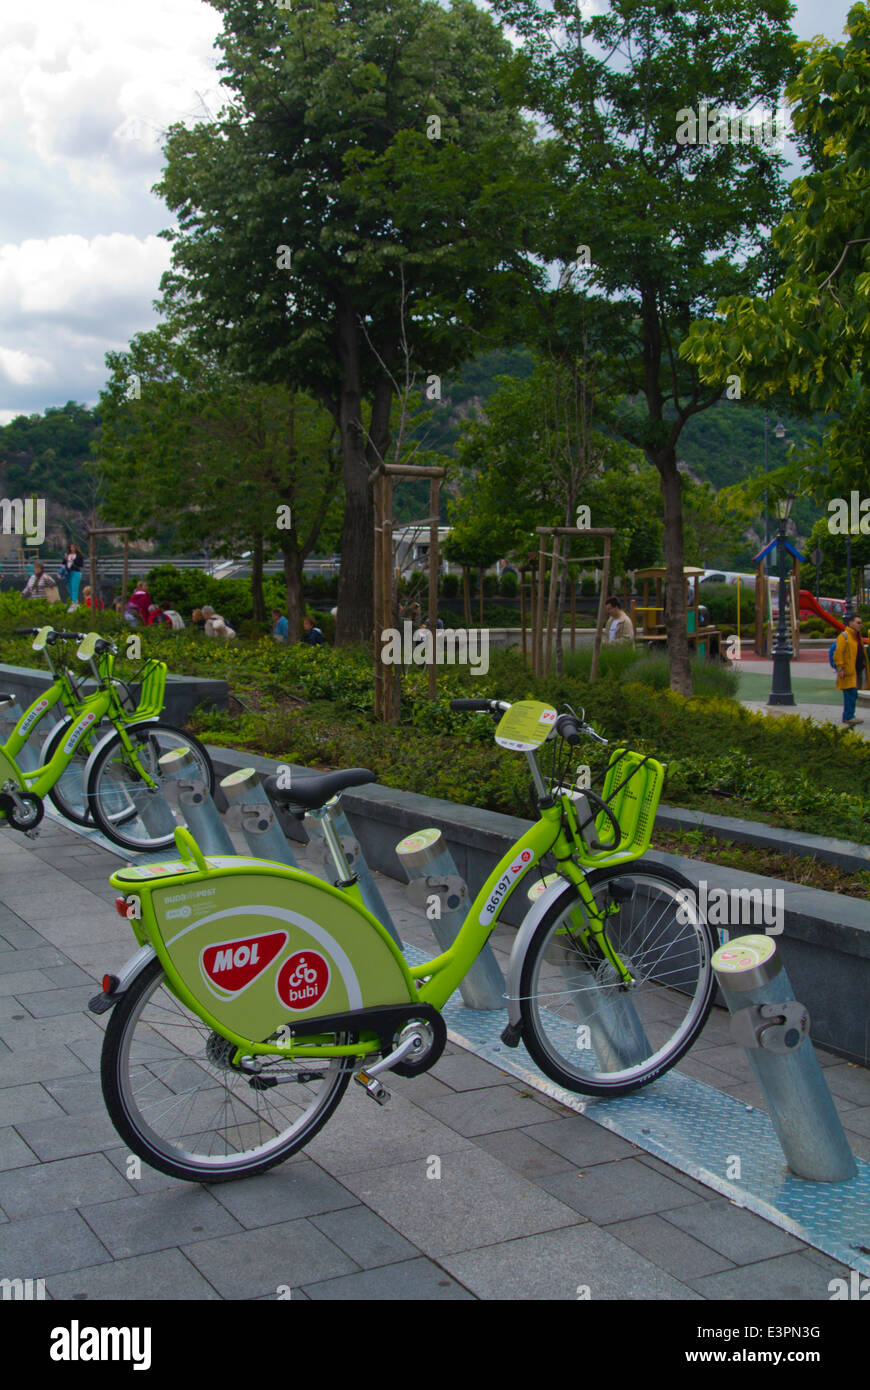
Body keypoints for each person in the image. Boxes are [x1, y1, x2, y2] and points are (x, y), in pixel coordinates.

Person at [834, 614, 867, 726]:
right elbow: (839, 653)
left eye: (861, 623)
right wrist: (840, 668)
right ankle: (849, 716)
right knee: (850, 693)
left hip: (855, 670)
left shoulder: (856, 636)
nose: (860, 625)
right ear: (850, 623)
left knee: (852, 694)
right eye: (858, 622)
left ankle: (848, 715)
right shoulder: (845, 636)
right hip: (848, 671)